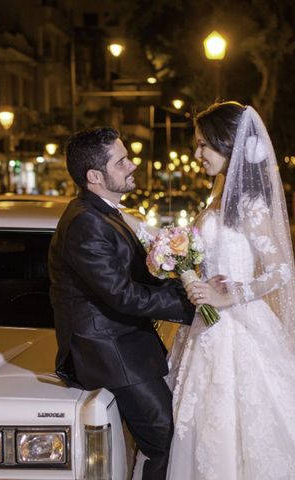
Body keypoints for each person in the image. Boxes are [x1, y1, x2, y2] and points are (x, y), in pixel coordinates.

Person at [48, 127, 196, 480]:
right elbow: (121, 295)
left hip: (126, 343)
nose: (132, 165)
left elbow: (134, 279)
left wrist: (186, 278)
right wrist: (188, 304)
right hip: (108, 350)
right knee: (166, 439)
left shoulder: (103, 211)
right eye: (122, 161)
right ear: (95, 176)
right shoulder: (86, 221)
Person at [165, 102, 295, 479]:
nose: (197, 153)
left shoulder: (252, 204)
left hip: (239, 328)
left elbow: (281, 270)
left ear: (228, 145)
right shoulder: (219, 195)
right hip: (206, 327)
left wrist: (229, 295)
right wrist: (184, 269)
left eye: (204, 144)